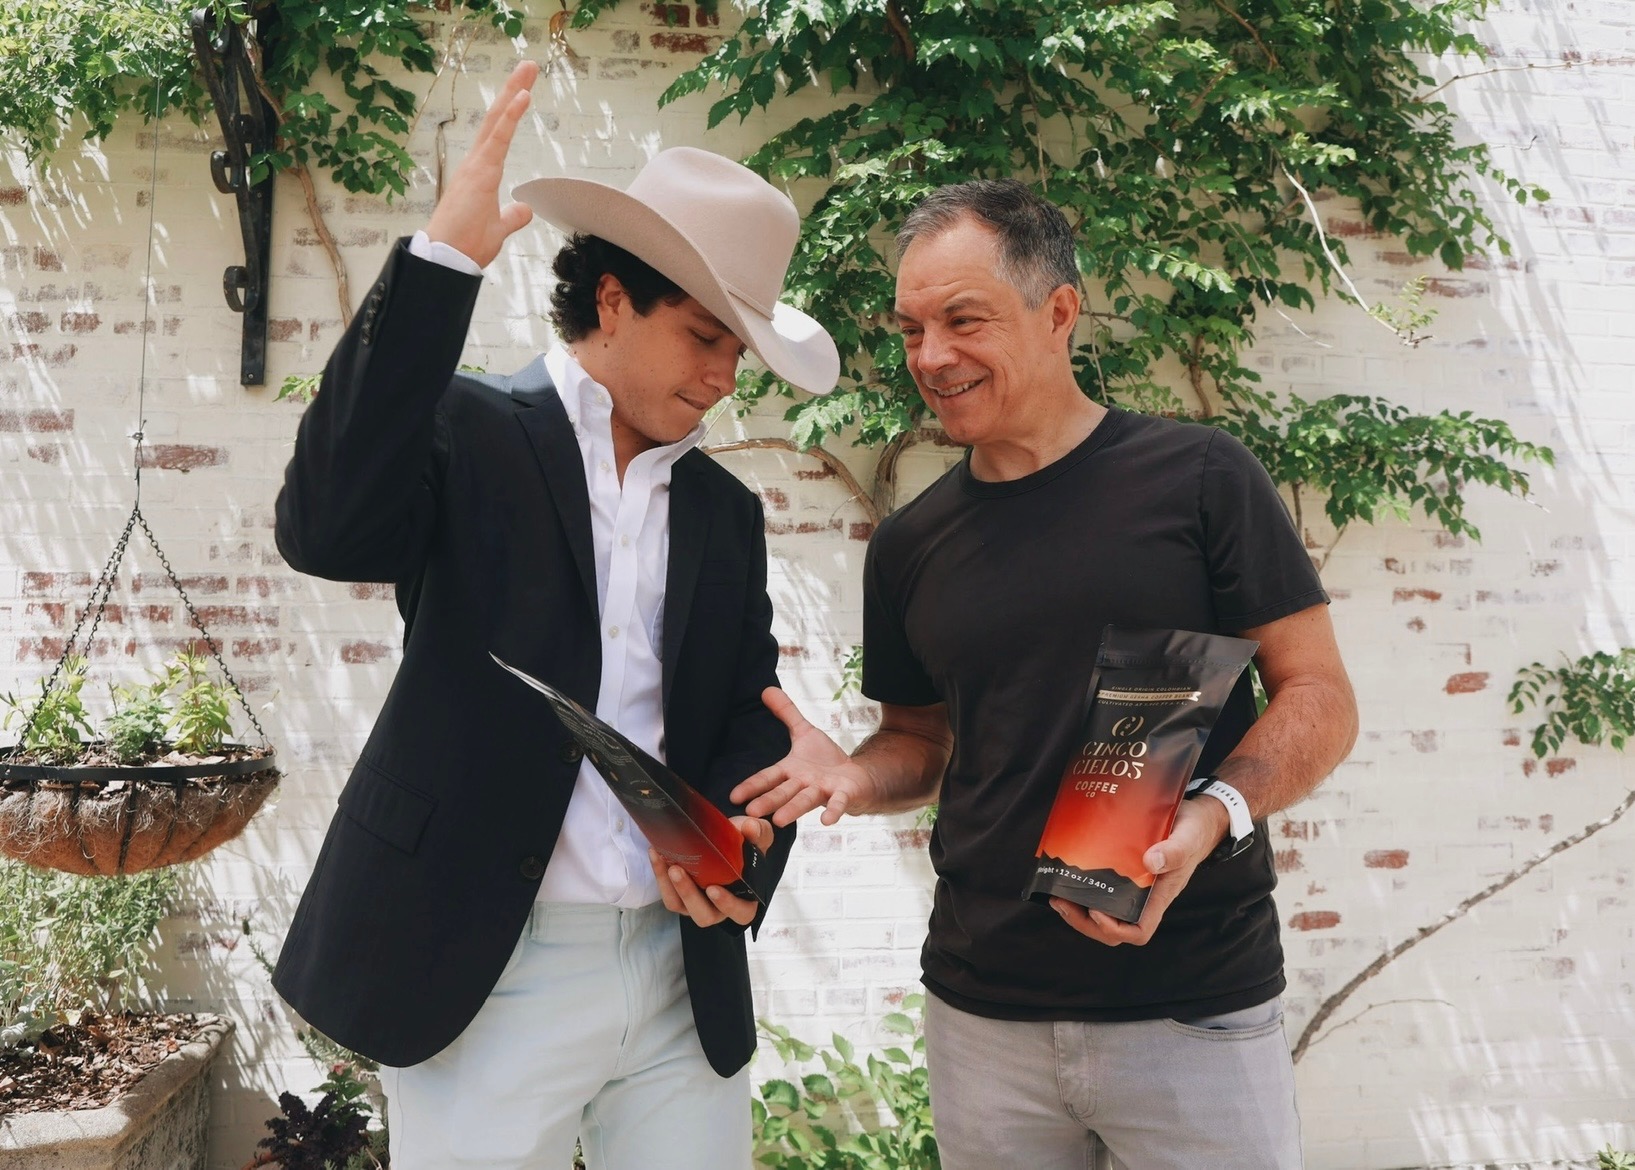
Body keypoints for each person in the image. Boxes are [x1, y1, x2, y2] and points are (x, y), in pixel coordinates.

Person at [271, 60, 839, 1170]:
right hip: (486, 963)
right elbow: (325, 533)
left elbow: (742, 711)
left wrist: (743, 848)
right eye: (706, 336)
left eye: (742, 351)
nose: (726, 377)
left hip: (681, 978)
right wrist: (441, 265)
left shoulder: (724, 510)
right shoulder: (466, 428)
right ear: (615, 298)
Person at [732, 179, 1359, 1170]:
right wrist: (856, 776)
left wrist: (1214, 816)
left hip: (1193, 1008)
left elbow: (1319, 695)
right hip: (983, 1021)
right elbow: (917, 742)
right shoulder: (910, 544)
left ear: (1058, 311)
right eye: (910, 330)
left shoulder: (1200, 479)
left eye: (962, 320)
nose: (931, 357)